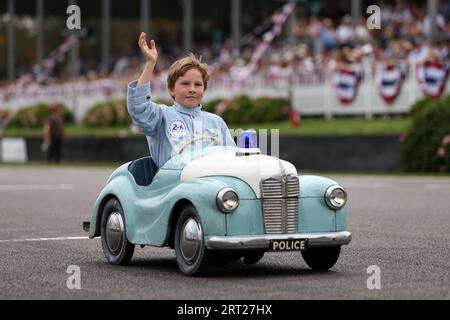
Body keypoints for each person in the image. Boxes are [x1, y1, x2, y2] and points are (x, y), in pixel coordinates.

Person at [127, 32, 235, 169]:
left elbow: (232, 158)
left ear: (204, 89)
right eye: (185, 84)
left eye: (198, 85)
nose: (192, 89)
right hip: (172, 185)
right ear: (171, 89)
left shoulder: (216, 122)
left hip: (212, 184)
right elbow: (139, 109)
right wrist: (150, 63)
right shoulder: (162, 116)